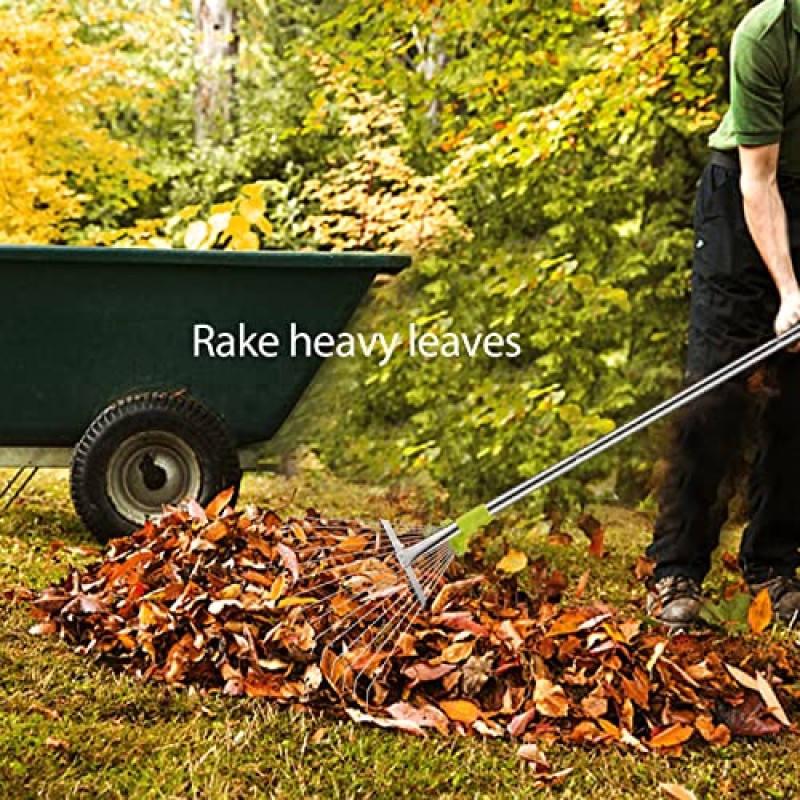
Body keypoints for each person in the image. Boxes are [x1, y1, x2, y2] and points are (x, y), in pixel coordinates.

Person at [646, 0, 800, 626]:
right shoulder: (766, 34)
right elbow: (757, 181)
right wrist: (789, 291)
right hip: (745, 194)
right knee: (716, 388)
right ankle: (676, 569)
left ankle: (774, 565)